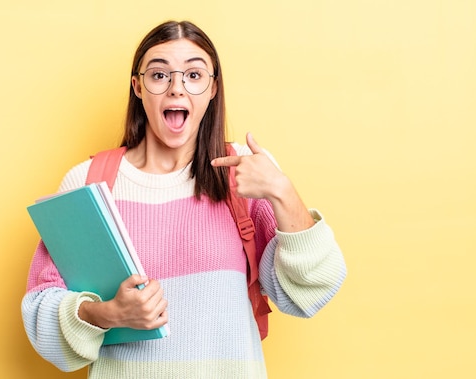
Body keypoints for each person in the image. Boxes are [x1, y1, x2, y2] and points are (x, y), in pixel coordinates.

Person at [22, 20, 347, 378]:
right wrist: (109, 315)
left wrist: (282, 192)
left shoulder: (244, 174)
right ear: (138, 87)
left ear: (212, 89)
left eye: (194, 75)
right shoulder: (88, 183)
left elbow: (312, 290)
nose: (177, 89)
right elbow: (42, 312)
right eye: (160, 75)